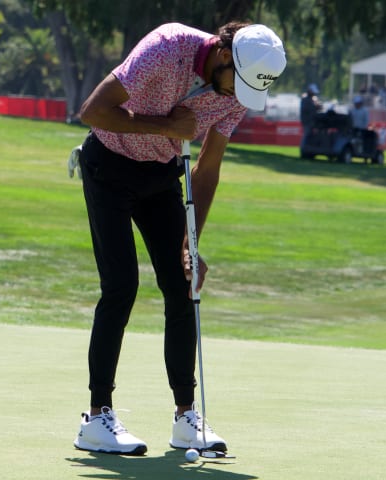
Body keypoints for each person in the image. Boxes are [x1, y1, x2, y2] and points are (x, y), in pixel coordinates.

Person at [73, 22, 286, 455]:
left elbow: (207, 169)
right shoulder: (166, 48)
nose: (235, 97)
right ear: (225, 56)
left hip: (160, 178)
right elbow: (93, 111)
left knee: (182, 283)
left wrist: (191, 244)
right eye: (236, 85)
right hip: (108, 167)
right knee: (121, 287)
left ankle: (185, 418)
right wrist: (165, 127)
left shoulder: (236, 89)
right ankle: (96, 419)